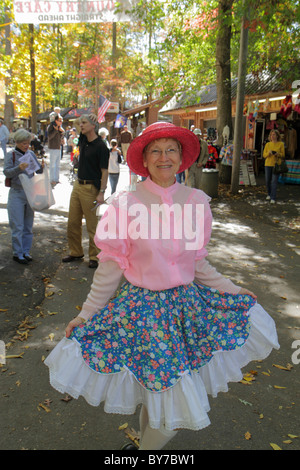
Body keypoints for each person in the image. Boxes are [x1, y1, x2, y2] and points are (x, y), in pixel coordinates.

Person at [45, 122, 279, 450]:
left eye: (171, 149)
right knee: (165, 402)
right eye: (155, 150)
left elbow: (198, 264)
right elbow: (109, 270)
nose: (164, 157)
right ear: (144, 158)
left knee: (161, 399)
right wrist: (85, 315)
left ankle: (140, 449)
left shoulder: (196, 202)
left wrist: (234, 290)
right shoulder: (124, 206)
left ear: (182, 157)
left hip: (187, 311)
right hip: (142, 314)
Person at [62, 114, 109, 269]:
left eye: (84, 123)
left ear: (93, 125)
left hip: (91, 188)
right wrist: (87, 116)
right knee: (73, 222)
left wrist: (101, 192)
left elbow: (104, 171)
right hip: (78, 185)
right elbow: (76, 123)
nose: (80, 125)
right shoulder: (83, 140)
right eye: (81, 123)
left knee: (92, 225)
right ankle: (76, 252)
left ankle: (94, 256)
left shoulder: (101, 146)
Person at [3, 129, 44, 264]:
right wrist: (18, 168)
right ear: (17, 142)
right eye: (23, 143)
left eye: (27, 143)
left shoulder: (30, 153)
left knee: (28, 225)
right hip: (17, 192)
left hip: (30, 191)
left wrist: (41, 166)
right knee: (17, 225)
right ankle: (18, 252)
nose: (25, 146)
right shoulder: (12, 155)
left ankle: (26, 251)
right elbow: (7, 173)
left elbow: (37, 170)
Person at [263, 129, 285, 204]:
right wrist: (268, 153)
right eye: (271, 135)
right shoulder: (267, 144)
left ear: (277, 136)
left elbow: (283, 155)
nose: (272, 136)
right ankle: (269, 193)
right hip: (268, 164)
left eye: (274, 135)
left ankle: (273, 197)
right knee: (267, 181)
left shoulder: (281, 144)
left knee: (274, 181)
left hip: (276, 165)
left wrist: (278, 154)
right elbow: (264, 155)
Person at [47, 113, 64, 186]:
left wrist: (61, 131)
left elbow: (60, 136)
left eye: (61, 120)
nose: (61, 122)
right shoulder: (51, 126)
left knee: (57, 164)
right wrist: (55, 130)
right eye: (59, 120)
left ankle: (56, 179)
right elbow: (49, 137)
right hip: (53, 147)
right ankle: (51, 179)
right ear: (56, 120)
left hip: (58, 147)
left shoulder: (59, 127)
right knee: (52, 165)